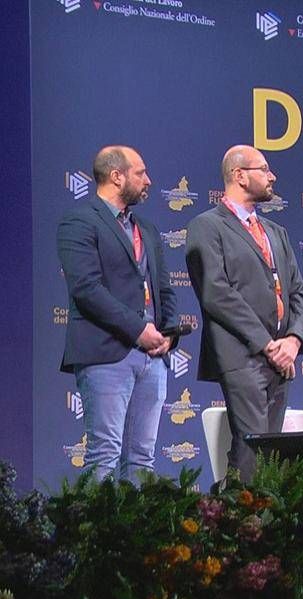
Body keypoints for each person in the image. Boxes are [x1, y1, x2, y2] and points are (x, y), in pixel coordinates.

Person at [185, 145, 303, 483]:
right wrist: (267, 345)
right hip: (242, 354)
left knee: (269, 451)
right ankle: (238, 512)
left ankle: (255, 512)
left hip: (281, 358)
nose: (272, 176)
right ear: (239, 175)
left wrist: (293, 341)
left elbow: (298, 292)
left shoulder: (276, 232)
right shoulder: (206, 226)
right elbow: (216, 293)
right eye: (264, 169)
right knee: (251, 445)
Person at [57, 145, 177, 481]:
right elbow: (86, 289)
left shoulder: (147, 229)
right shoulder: (79, 221)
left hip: (153, 358)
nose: (148, 180)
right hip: (106, 353)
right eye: (141, 173)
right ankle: (95, 520)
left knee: (142, 459)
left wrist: (168, 335)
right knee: (104, 455)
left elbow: (164, 288)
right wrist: (139, 330)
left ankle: (137, 520)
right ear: (116, 176)